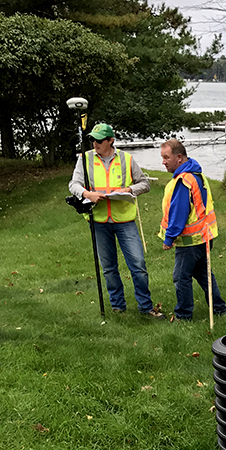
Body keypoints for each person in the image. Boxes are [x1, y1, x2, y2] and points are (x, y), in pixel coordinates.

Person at [68, 122, 165, 318]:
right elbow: (73, 184)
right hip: (99, 220)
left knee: (138, 265)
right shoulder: (85, 159)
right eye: (92, 140)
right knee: (109, 267)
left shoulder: (126, 159)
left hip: (124, 221)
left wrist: (129, 190)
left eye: (99, 140)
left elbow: (144, 184)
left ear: (110, 140)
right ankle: (118, 306)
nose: (95, 144)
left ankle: (146, 307)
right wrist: (87, 193)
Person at [159, 138, 226, 321]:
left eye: (166, 157)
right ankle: (219, 309)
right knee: (204, 275)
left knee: (181, 277)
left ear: (179, 157)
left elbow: (179, 213)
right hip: (204, 237)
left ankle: (183, 316)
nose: (163, 162)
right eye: (162, 158)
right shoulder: (197, 174)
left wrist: (169, 237)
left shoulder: (184, 181)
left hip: (190, 241)